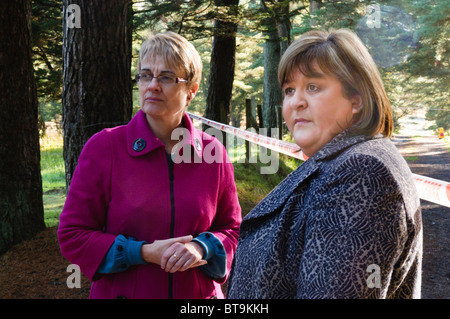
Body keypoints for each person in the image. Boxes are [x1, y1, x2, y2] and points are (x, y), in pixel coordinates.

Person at [227, 29, 422, 299]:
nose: (296, 102)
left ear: (357, 99)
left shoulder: (361, 174)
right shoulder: (340, 161)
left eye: (313, 87)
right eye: (289, 90)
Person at [58, 31, 242, 299]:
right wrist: (142, 252)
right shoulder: (103, 148)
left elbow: (232, 229)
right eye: (145, 75)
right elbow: (73, 235)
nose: (153, 85)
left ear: (191, 91)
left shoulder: (214, 153)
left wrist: (203, 247)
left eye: (166, 77)